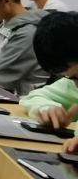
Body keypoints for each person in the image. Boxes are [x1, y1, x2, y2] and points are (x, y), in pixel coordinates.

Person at [19, 12, 78, 154]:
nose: (76, 84)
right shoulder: (72, 82)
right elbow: (32, 96)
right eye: (71, 78)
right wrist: (48, 108)